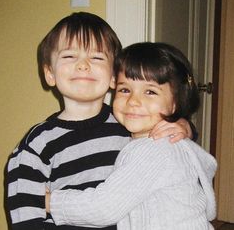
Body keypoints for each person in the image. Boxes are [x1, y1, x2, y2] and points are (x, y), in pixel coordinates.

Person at [6, 12, 194, 230]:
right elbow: (25, 215)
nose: (84, 65)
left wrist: (183, 126)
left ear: (114, 76)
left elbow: (172, 147)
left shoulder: (129, 123)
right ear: (50, 73)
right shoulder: (37, 144)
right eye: (69, 56)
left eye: (96, 58)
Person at [47, 42, 217, 230]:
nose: (134, 101)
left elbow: (103, 207)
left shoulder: (154, 149)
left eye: (150, 92)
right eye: (125, 90)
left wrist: (48, 201)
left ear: (176, 103)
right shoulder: (165, 141)